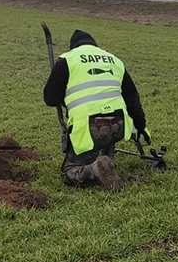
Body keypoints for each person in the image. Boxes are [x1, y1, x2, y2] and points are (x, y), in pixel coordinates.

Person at [43, 30, 149, 191]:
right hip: (118, 125)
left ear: (74, 46)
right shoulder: (114, 60)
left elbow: (50, 99)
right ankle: (106, 159)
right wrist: (141, 127)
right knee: (106, 134)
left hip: (90, 127)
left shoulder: (67, 59)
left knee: (69, 172)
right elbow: (133, 100)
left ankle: (94, 169)